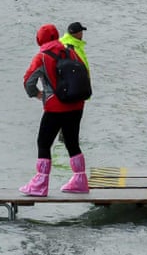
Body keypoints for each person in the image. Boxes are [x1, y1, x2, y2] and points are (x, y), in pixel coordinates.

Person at [19, 24, 89, 196]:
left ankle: (40, 184)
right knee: (72, 142)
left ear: (39, 39)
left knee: (43, 143)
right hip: (76, 104)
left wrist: (37, 94)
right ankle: (80, 180)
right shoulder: (70, 51)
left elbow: (28, 81)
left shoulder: (42, 56)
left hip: (55, 107)